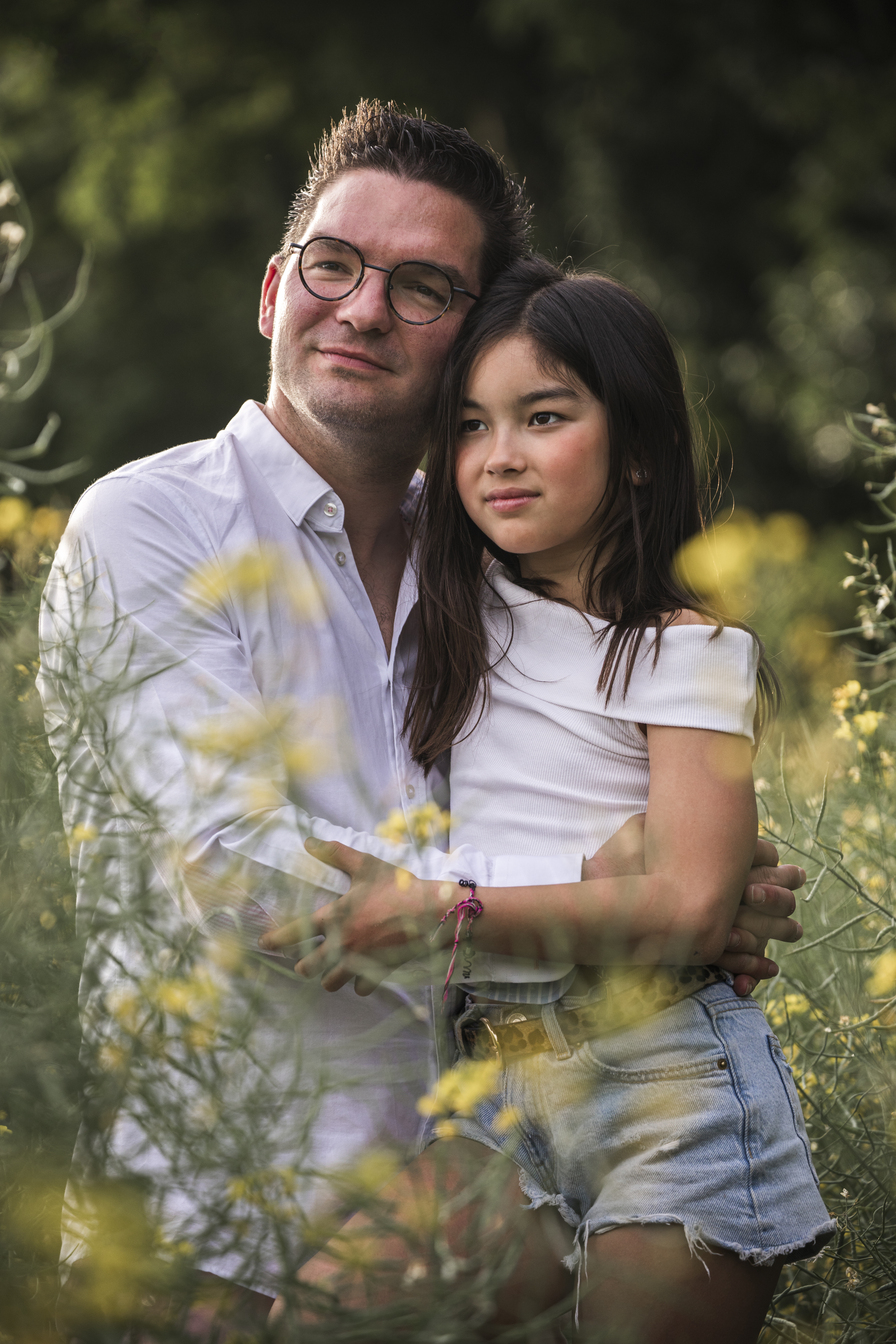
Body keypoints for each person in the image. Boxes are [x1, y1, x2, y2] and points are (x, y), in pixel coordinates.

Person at [38, 101, 804, 1338]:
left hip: (499, 1211)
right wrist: (619, 902)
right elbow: (246, 879)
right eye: (333, 265)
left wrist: (695, 880)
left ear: (473, 339)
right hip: (211, 1236)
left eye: (423, 285)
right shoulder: (151, 527)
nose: (361, 306)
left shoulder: (503, 568)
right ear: (273, 287)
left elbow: (631, 810)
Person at [261, 257, 834, 1342]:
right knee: (314, 1314)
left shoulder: (692, 652)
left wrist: (447, 912)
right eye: (470, 426)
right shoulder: (459, 602)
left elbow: (689, 912)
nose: (498, 457)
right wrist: (636, 871)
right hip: (495, 1090)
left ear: (637, 451)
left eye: (543, 416)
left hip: (668, 1089)